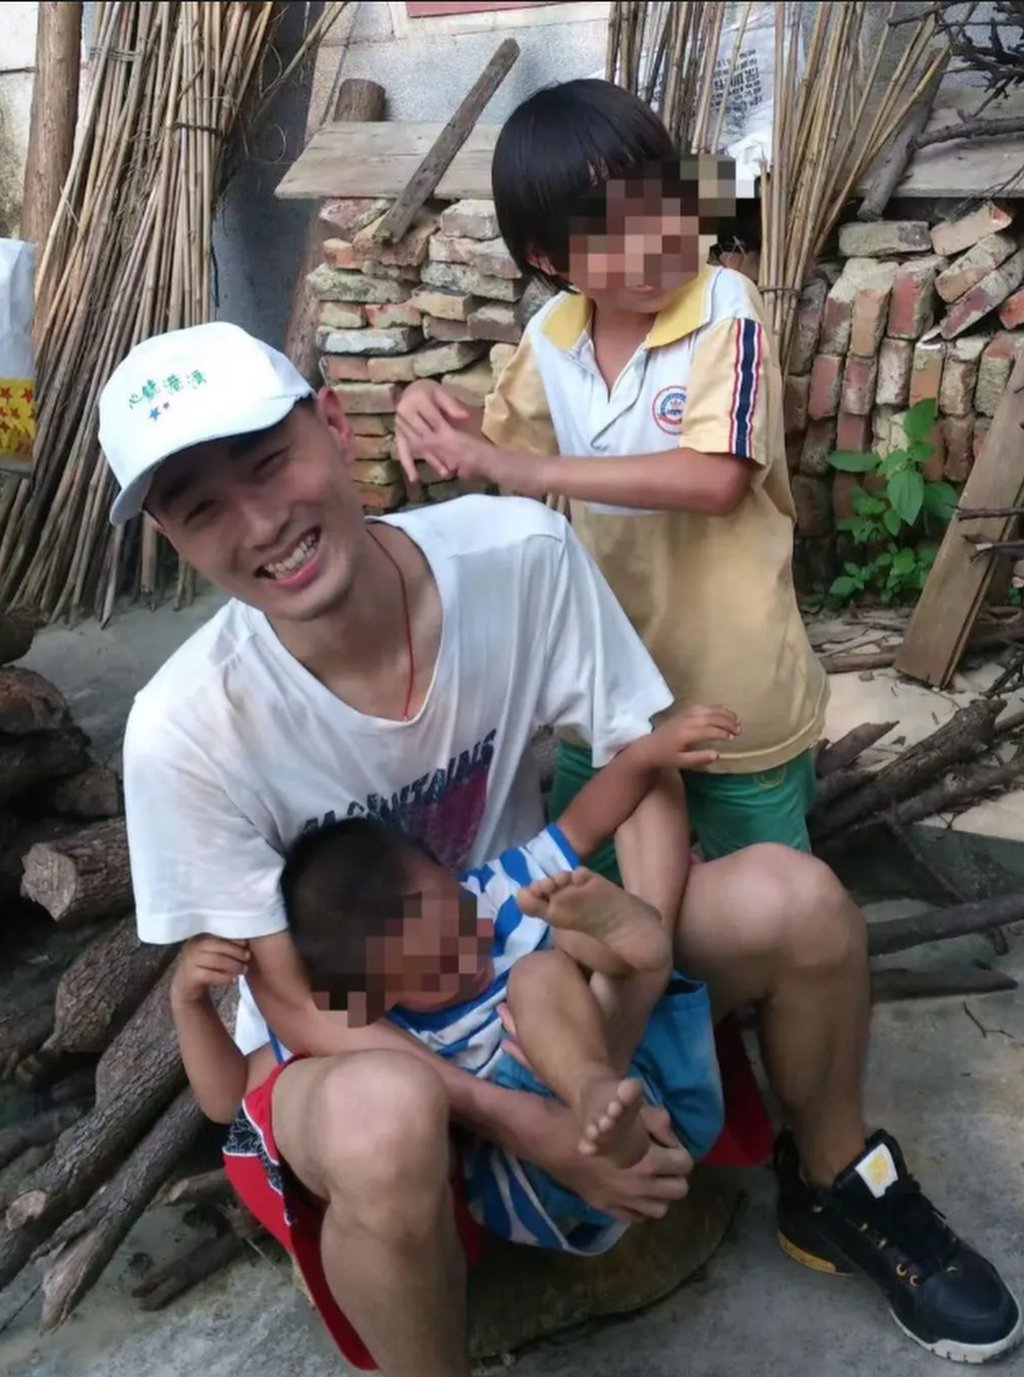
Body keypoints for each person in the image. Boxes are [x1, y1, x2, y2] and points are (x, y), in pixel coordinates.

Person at [103, 321, 1020, 1374]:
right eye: (200, 507)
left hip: (515, 941)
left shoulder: (513, 556)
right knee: (380, 1124)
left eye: (269, 465)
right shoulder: (186, 730)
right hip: (363, 1038)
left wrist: (621, 999)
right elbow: (296, 1004)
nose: (261, 523)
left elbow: (641, 781)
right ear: (171, 537)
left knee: (796, 901)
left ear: (328, 424)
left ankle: (837, 1186)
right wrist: (519, 1117)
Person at [395, 78, 827, 873]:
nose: (656, 241)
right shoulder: (552, 333)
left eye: (663, 205)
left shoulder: (724, 306)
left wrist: (521, 462)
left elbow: (714, 480)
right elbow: (498, 449)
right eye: (611, 232)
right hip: (604, 686)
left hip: (733, 688)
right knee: (581, 883)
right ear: (546, 257)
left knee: (775, 884)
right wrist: (424, 403)